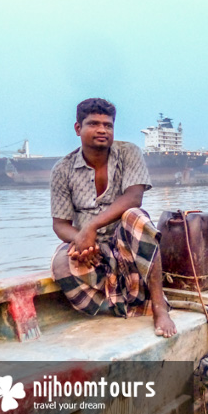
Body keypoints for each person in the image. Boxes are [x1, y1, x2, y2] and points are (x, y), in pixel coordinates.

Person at [50, 98, 177, 338]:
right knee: (60, 263)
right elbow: (60, 224)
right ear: (78, 129)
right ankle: (114, 308)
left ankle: (160, 307)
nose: (102, 130)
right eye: (93, 124)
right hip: (93, 250)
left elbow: (134, 197)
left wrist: (91, 226)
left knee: (135, 216)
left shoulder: (129, 152)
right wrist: (81, 240)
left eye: (108, 125)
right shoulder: (63, 169)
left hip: (128, 245)